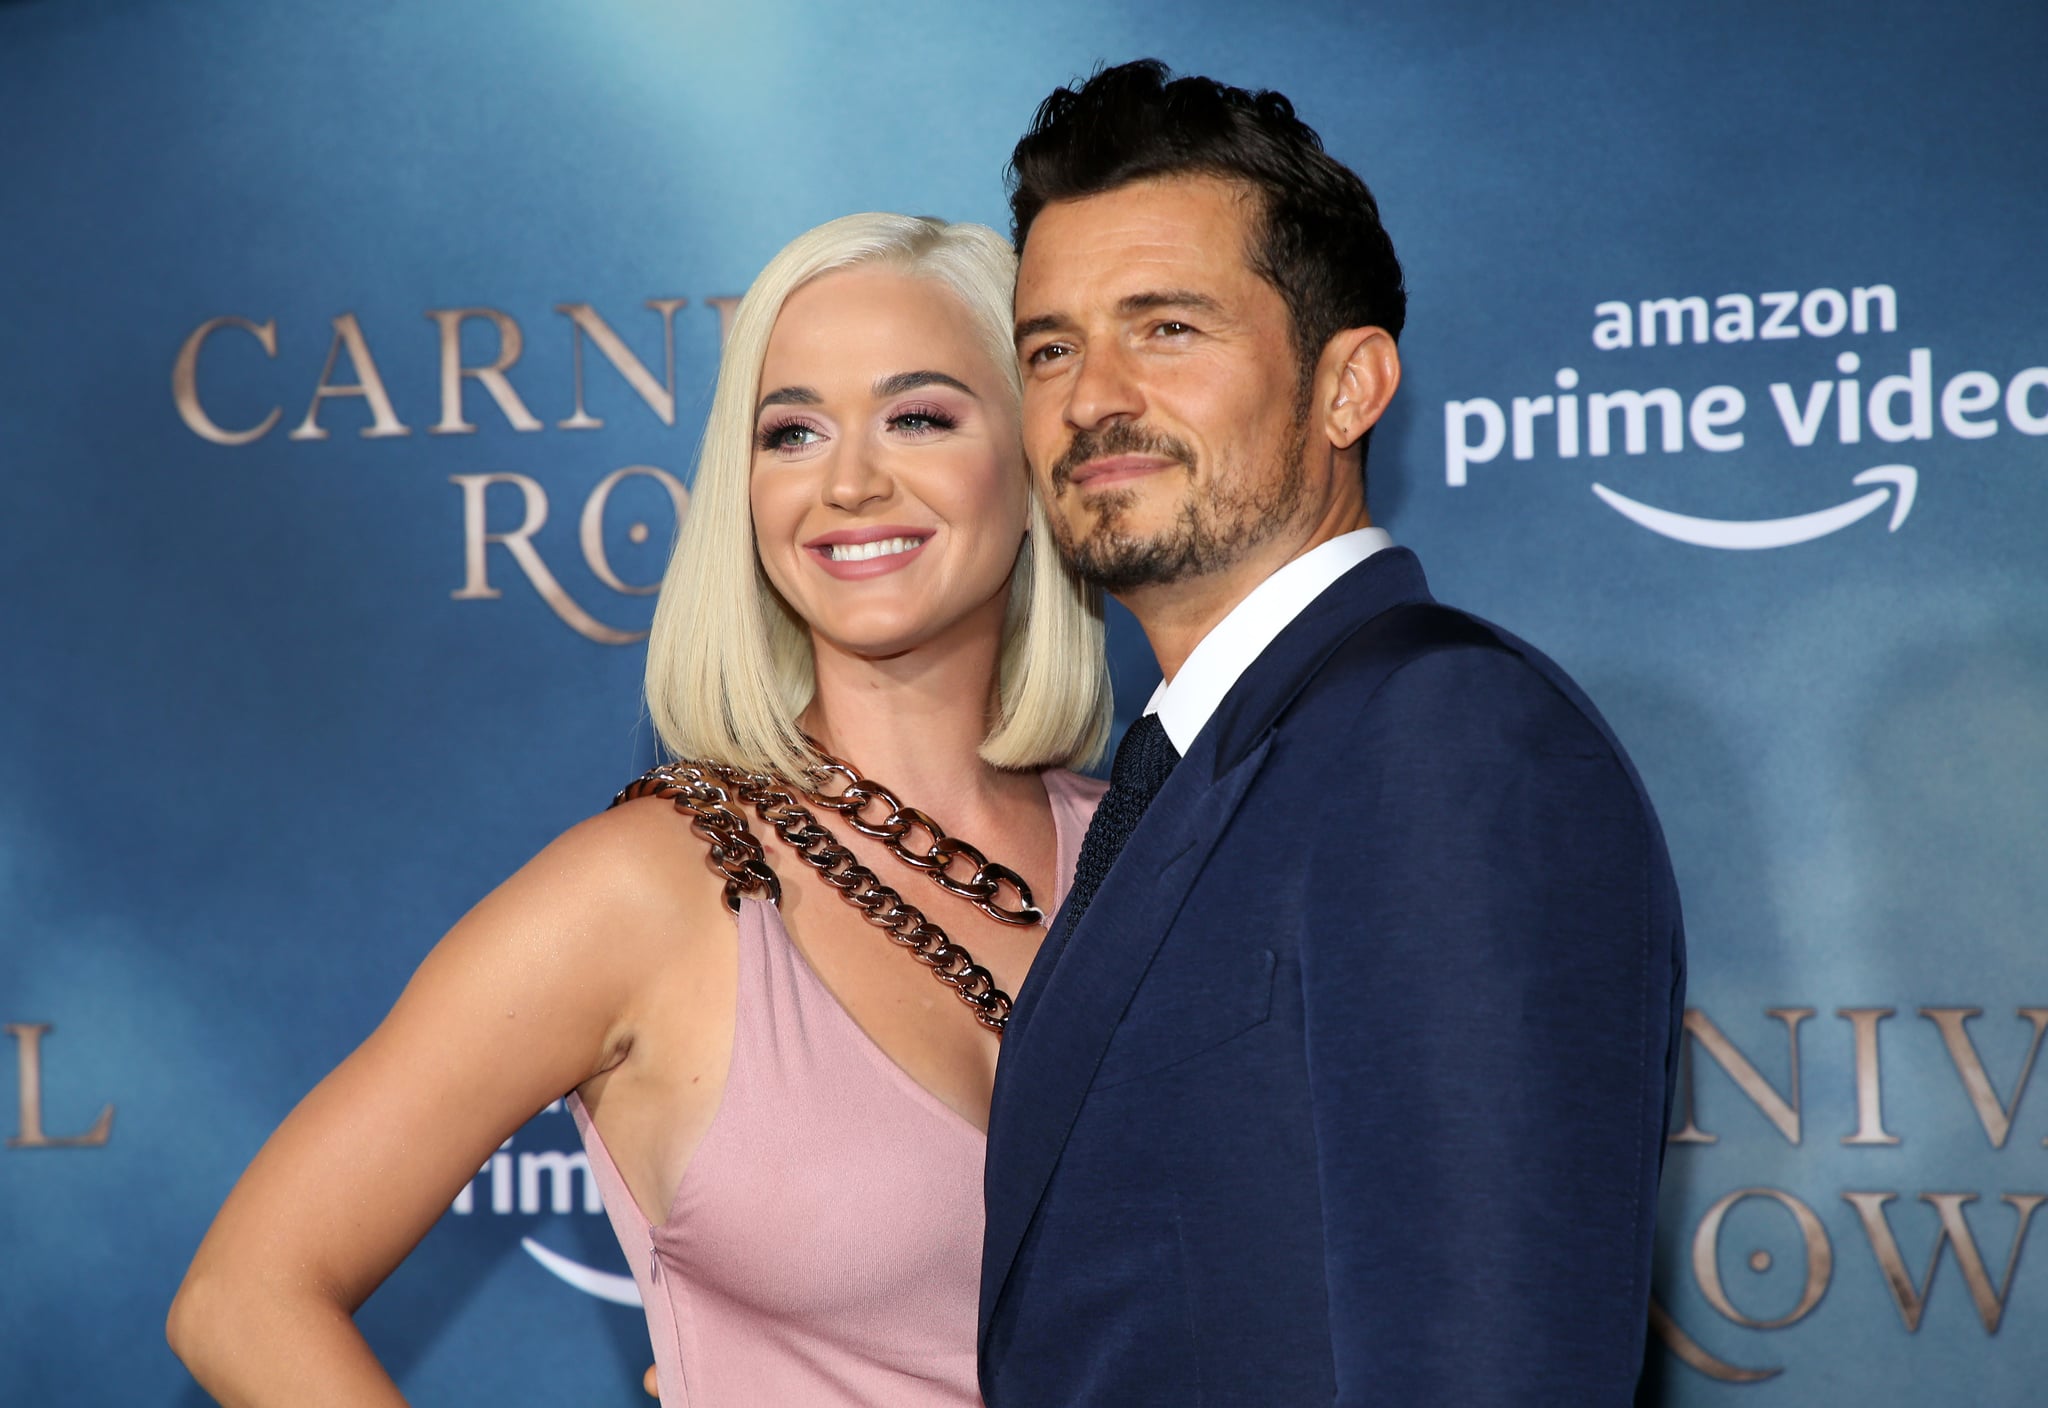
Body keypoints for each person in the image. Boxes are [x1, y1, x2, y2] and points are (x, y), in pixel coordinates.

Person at [168, 213, 1111, 1407]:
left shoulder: (1149, 851)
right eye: (791, 432)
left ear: (1033, 465)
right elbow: (244, 1297)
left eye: (918, 416)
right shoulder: (642, 891)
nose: (849, 480)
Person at [978, 61, 1687, 1406]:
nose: (1091, 396)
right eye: (1050, 346)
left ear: (1350, 386)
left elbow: (1490, 1364)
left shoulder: (1447, 739)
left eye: (1166, 328)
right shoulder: (1176, 771)